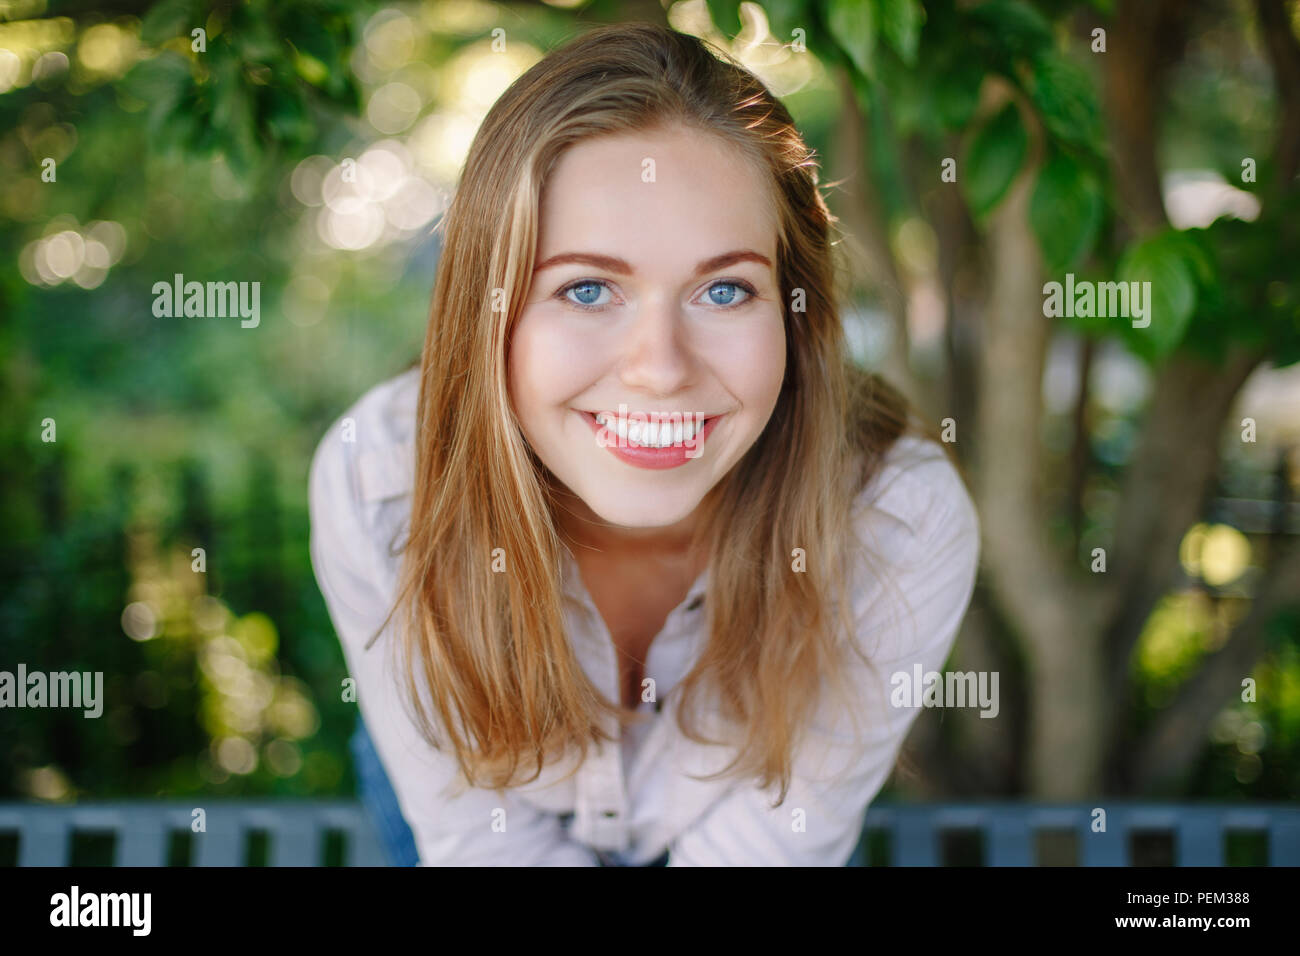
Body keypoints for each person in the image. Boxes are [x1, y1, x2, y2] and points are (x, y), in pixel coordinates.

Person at [308, 21, 980, 867]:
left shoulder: (897, 516)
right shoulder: (379, 481)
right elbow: (483, 845)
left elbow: (767, 849)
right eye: (588, 289)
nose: (660, 371)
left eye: (726, 290)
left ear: (796, 314)